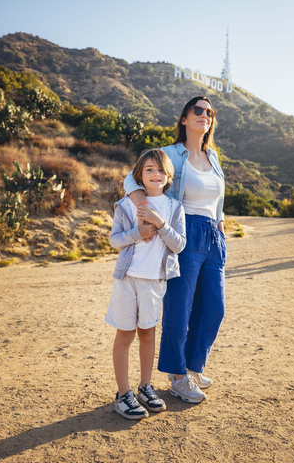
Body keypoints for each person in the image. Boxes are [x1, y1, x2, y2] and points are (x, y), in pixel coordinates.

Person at [124, 96, 226, 404]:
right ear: (183, 118)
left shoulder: (213, 156)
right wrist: (147, 210)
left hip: (213, 236)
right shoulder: (170, 154)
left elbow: (217, 199)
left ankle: (192, 367)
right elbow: (131, 179)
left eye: (209, 112)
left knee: (213, 308)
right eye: (197, 110)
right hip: (184, 230)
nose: (204, 115)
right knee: (179, 310)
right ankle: (178, 376)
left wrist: (220, 224)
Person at [106, 148, 187, 420]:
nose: (156, 174)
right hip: (128, 279)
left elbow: (179, 245)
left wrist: (160, 224)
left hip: (155, 281)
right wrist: (137, 233)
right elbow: (115, 240)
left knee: (148, 334)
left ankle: (145, 387)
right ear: (138, 174)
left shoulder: (175, 208)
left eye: (161, 170)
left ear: (169, 176)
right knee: (125, 335)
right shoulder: (125, 205)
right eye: (149, 169)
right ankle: (123, 393)